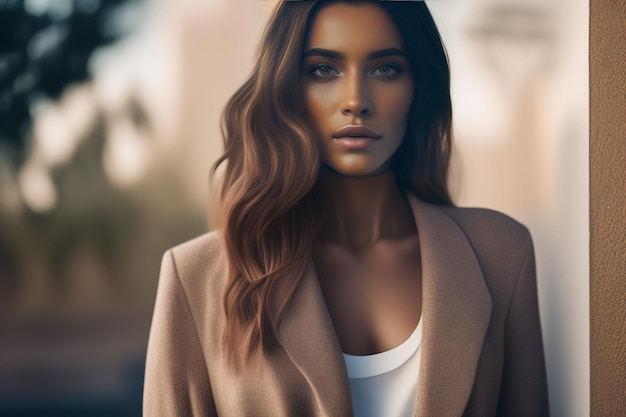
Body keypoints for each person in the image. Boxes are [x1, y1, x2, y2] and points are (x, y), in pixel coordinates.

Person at [143, 1, 549, 416]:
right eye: (323, 69)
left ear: (418, 87)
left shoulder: (502, 256)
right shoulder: (193, 280)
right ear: (286, 88)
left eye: (385, 69)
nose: (356, 100)